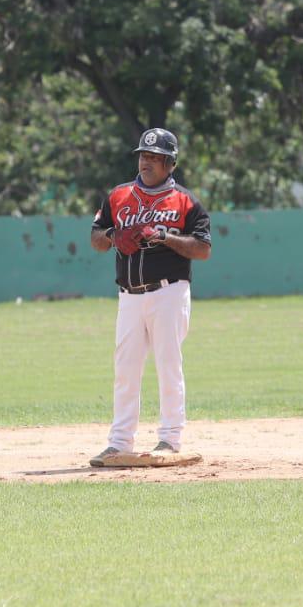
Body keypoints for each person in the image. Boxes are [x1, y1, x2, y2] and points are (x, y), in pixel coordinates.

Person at [88, 127, 212, 465]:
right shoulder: (118, 196)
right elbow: (96, 237)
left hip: (169, 291)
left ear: (170, 163)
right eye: (144, 155)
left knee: (168, 364)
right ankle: (119, 442)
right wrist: (114, 236)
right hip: (129, 295)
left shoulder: (186, 201)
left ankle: (170, 439)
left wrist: (165, 237)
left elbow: (202, 249)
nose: (146, 162)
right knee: (125, 368)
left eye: (155, 157)